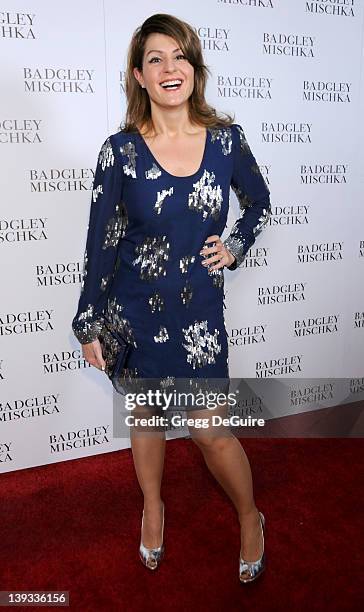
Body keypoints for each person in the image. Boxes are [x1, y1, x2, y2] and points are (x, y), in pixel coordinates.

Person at [71, 13, 271, 583]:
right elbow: (100, 242)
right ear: (137, 75)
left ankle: (251, 516)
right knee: (148, 418)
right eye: (154, 58)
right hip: (133, 314)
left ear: (194, 68)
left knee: (211, 430)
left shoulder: (227, 140)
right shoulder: (120, 152)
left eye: (179, 55)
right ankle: (153, 507)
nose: (168, 67)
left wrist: (233, 246)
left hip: (200, 317)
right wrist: (89, 323)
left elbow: (259, 203)